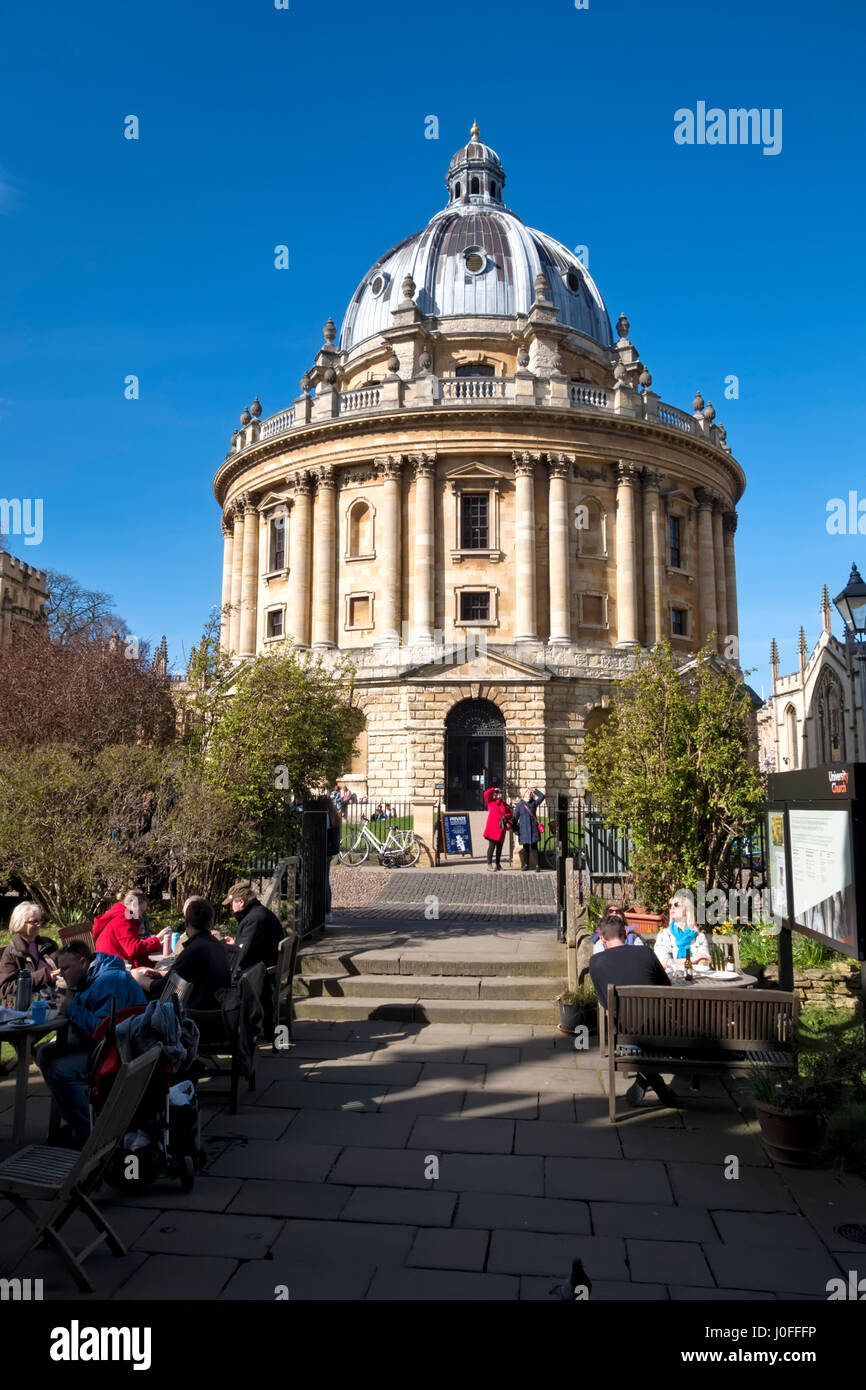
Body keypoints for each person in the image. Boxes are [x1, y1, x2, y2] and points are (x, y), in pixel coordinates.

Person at [39, 940, 146, 1146]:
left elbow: (103, 1031)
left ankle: (91, 1135)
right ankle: (76, 1120)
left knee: (61, 1070)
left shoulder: (110, 982)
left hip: (120, 1051)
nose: (62, 974)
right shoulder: (93, 977)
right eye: (60, 969)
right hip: (105, 1045)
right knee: (45, 1053)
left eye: (66, 968)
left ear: (83, 962)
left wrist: (70, 1007)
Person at [589, 915, 678, 1107]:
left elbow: (605, 1003)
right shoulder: (645, 953)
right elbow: (666, 988)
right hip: (662, 1034)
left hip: (624, 1036)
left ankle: (646, 1077)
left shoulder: (595, 962)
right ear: (625, 933)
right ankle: (651, 1080)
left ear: (602, 939)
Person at [132, 897, 232, 1011]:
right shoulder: (218, 946)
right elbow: (188, 974)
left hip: (194, 1015)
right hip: (218, 1011)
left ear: (186, 923)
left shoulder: (193, 950)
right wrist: (158, 974)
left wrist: (137, 978)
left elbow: (163, 988)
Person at [92, 890, 172, 967]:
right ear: (133, 904)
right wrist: (156, 939)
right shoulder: (122, 918)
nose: (141, 915)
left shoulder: (120, 914)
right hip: (113, 965)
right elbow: (133, 949)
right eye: (141, 911)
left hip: (108, 961)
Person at [0, 901, 60, 1004]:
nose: (39, 924)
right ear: (20, 923)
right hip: (28, 1006)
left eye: (40, 921)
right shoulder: (12, 953)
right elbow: (6, 989)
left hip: (55, 998)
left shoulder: (48, 944)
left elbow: (63, 964)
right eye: (34, 921)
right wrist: (44, 976)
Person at [224, 882, 284, 973]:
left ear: (241, 902)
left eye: (231, 904)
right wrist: (235, 944)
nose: (231, 908)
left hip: (260, 976)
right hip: (266, 968)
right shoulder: (261, 912)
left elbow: (241, 958)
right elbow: (253, 946)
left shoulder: (253, 920)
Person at [654, 890, 710, 973]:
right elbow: (663, 962)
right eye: (670, 906)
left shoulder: (699, 937)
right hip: (670, 980)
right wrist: (692, 959)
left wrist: (699, 964)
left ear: (687, 909)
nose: (672, 907)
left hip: (696, 978)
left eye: (676, 905)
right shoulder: (664, 935)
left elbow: (704, 961)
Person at [513, 787, 545, 871]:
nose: (529, 793)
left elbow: (542, 796)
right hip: (523, 829)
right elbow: (515, 819)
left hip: (533, 828)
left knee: (534, 848)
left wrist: (534, 790)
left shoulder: (533, 803)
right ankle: (526, 865)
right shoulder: (520, 805)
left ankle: (538, 865)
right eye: (527, 792)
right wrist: (515, 829)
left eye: (530, 793)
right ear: (524, 794)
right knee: (525, 849)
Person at [482, 786, 512, 871]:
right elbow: (486, 794)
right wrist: (493, 789)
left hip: (501, 829)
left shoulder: (505, 804)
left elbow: (510, 814)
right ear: (495, 794)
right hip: (492, 829)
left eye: (501, 793)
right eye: (498, 793)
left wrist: (505, 816)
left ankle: (498, 864)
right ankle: (489, 864)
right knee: (491, 847)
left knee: (499, 848)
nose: (500, 794)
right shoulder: (491, 802)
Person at [325, 800, 343, 922]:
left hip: (323, 852)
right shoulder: (334, 817)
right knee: (326, 882)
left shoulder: (326, 816)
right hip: (330, 852)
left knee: (323, 883)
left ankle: (326, 912)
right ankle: (328, 912)